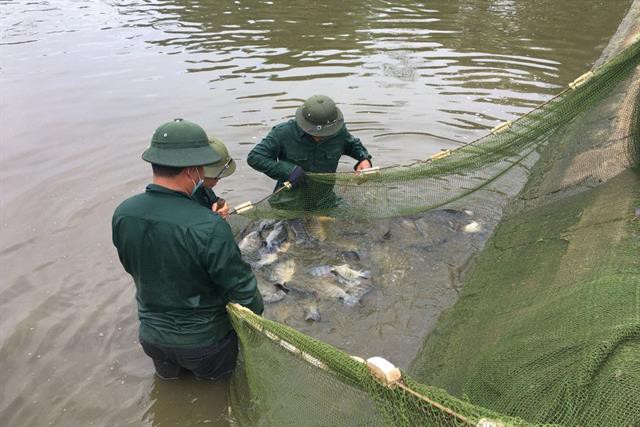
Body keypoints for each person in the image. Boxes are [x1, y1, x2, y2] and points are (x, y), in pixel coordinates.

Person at [112, 118, 263, 381]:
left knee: (169, 388)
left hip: (152, 339)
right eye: (203, 169)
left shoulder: (124, 213)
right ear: (192, 171)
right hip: (206, 344)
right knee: (218, 397)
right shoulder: (210, 227)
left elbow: (133, 266)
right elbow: (242, 291)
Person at [247, 94, 372, 211]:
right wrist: (287, 170)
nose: (320, 137)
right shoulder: (283, 133)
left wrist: (364, 159)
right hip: (290, 201)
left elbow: (354, 145)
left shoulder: (338, 131)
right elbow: (255, 157)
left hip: (324, 199)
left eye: (325, 134)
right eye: (315, 133)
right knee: (298, 233)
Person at [191, 136, 236, 219]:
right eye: (214, 177)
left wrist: (220, 204)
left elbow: (213, 200)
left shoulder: (203, 185)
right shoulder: (184, 197)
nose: (215, 183)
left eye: (219, 178)